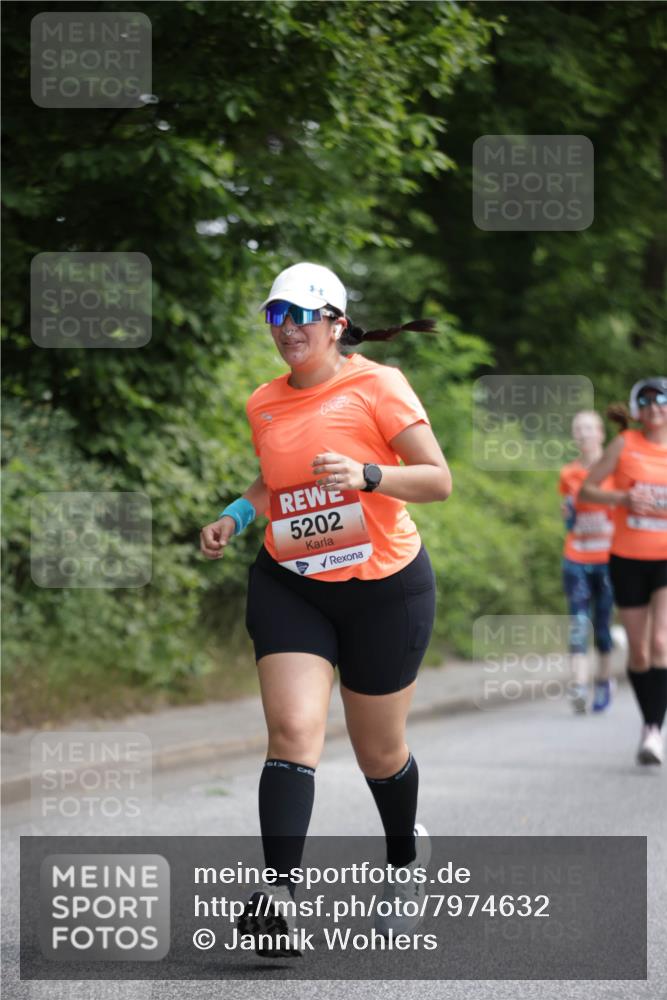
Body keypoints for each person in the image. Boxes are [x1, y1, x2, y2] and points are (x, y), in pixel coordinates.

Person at [200, 262, 451, 956]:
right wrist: (236, 513)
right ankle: (278, 895)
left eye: (301, 317)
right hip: (292, 581)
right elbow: (272, 478)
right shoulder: (264, 401)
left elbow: (437, 479)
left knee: (378, 752)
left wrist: (367, 474)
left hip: (383, 588)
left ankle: (402, 861)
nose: (286, 330)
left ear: (335, 323)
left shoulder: (377, 385)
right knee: (291, 729)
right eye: (276, 316)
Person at [579, 378, 667, 764]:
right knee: (639, 650)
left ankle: (653, 731)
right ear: (636, 410)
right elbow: (587, 490)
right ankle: (649, 723)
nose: (655, 407)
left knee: (662, 642)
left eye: (661, 400)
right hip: (627, 557)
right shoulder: (624, 444)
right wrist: (623, 498)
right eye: (645, 401)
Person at [558, 411, 615, 713]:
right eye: (577, 429)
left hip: (608, 559)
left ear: (601, 433)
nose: (583, 434)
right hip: (576, 557)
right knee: (579, 624)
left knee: (602, 626)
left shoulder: (617, 470)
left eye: (589, 428)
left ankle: (604, 680)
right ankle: (579, 685)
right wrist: (568, 514)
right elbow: (568, 515)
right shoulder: (568, 473)